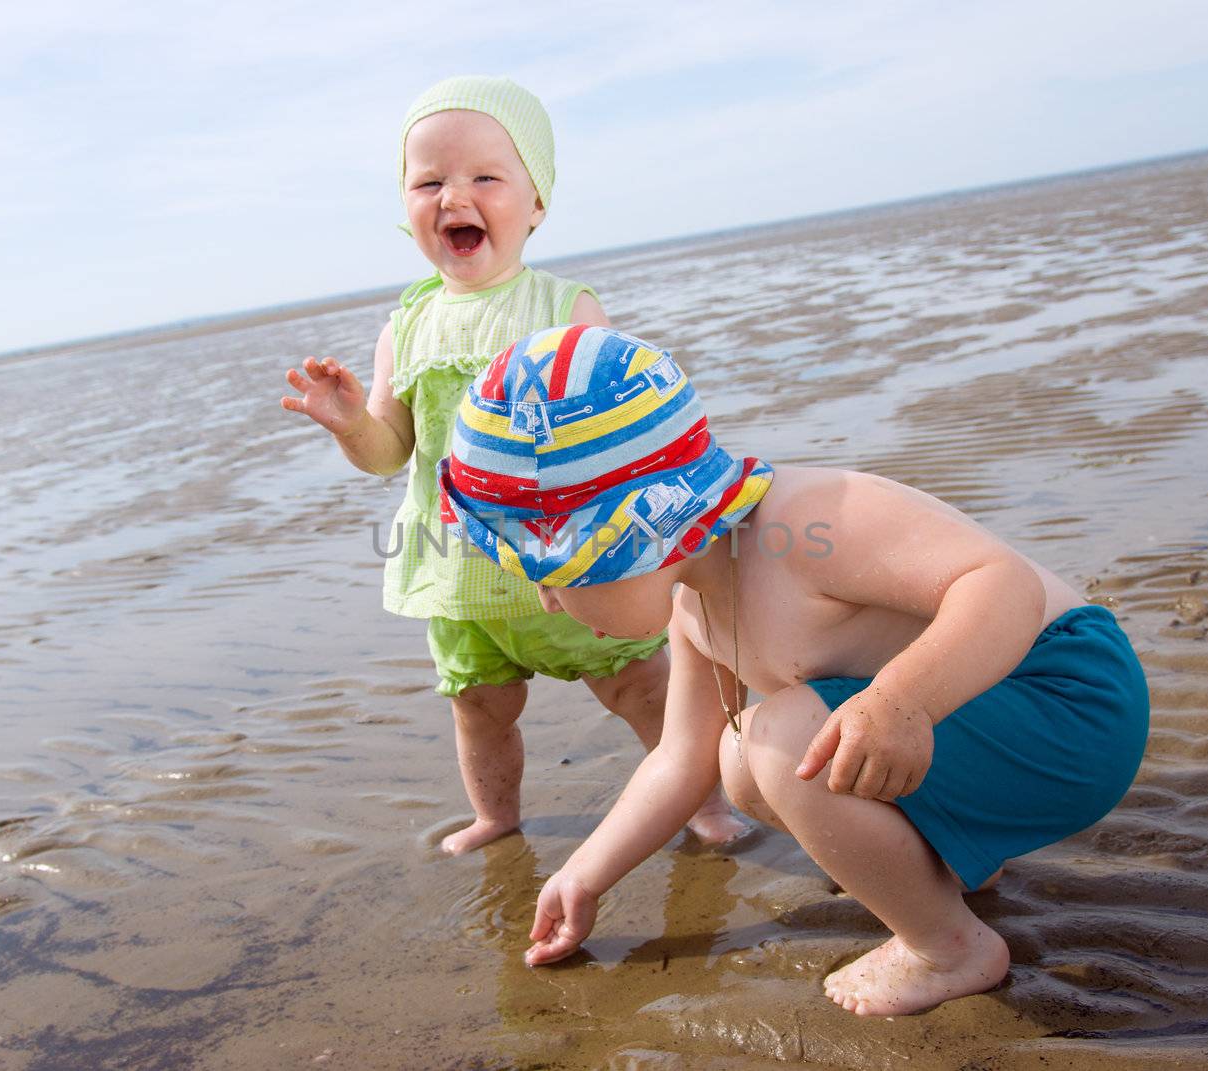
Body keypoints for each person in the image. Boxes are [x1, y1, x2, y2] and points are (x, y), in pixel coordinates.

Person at [438, 324, 1150, 1015]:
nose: (545, 598)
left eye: (555, 570)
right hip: (985, 727)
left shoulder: (806, 522)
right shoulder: (696, 609)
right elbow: (680, 761)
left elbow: (1003, 584)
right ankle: (955, 864)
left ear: (636, 530)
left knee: (781, 740)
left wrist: (905, 698)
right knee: (741, 755)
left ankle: (949, 946)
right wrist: (583, 874)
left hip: (1072, 699)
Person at [280, 77, 744, 855]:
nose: (453, 194)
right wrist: (351, 423)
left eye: (484, 177)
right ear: (406, 208)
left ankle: (705, 806)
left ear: (535, 203)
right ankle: (497, 816)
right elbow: (391, 451)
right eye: (429, 180)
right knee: (478, 706)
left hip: (572, 565)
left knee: (644, 688)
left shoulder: (567, 308)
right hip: (460, 574)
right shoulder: (408, 323)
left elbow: (622, 438)